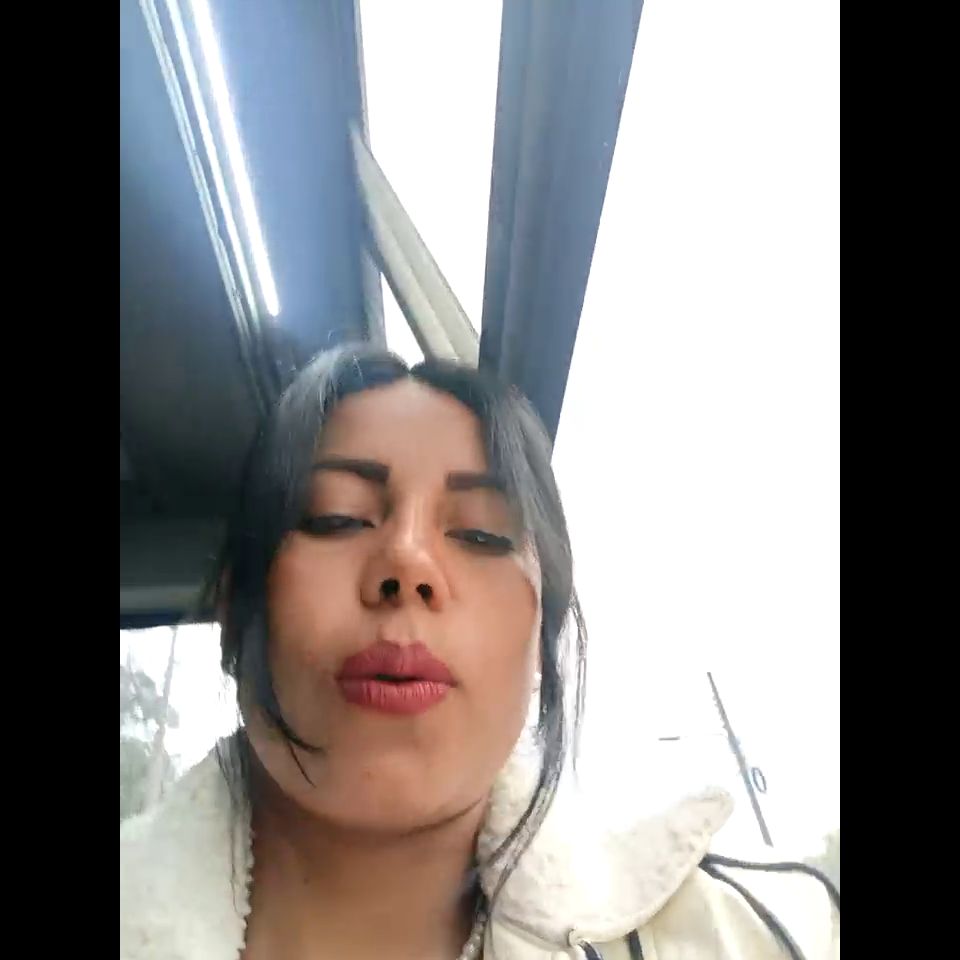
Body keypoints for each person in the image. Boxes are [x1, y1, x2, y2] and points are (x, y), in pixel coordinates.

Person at [120, 345, 839, 959]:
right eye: (336, 517)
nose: (408, 561)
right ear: (233, 610)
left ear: (541, 637)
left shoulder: (758, 932)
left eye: (482, 534)